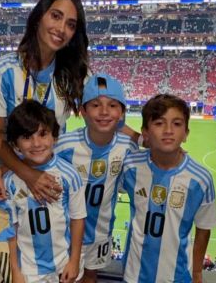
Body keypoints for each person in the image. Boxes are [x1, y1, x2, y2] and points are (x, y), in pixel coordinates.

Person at [0, 0, 90, 282]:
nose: (61, 29)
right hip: (6, 167)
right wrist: (11, 172)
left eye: (71, 24)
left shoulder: (70, 77)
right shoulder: (3, 71)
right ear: (38, 17)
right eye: (56, 16)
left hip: (48, 171)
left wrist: (140, 137)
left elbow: (104, 110)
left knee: (48, 253)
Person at [119, 94, 216, 283]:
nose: (168, 130)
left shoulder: (200, 179)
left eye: (177, 124)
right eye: (159, 123)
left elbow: (204, 229)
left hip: (178, 277)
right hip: (133, 275)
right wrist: (138, 139)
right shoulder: (130, 167)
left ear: (186, 133)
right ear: (145, 132)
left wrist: (196, 273)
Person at [54, 73, 136, 282]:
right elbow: (36, 162)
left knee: (90, 277)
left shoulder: (127, 149)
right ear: (82, 111)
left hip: (101, 233)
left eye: (112, 105)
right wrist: (0, 171)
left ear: (122, 113)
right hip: (65, 232)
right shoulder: (65, 145)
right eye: (96, 105)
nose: (104, 112)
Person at [0, 100, 86, 282]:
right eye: (27, 137)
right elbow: (12, 228)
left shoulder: (70, 175)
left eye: (43, 134)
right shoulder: (10, 181)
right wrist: (16, 271)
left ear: (54, 137)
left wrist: (74, 261)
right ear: (15, 144)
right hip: (29, 271)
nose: (36, 143)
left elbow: (77, 219)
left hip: (63, 264)